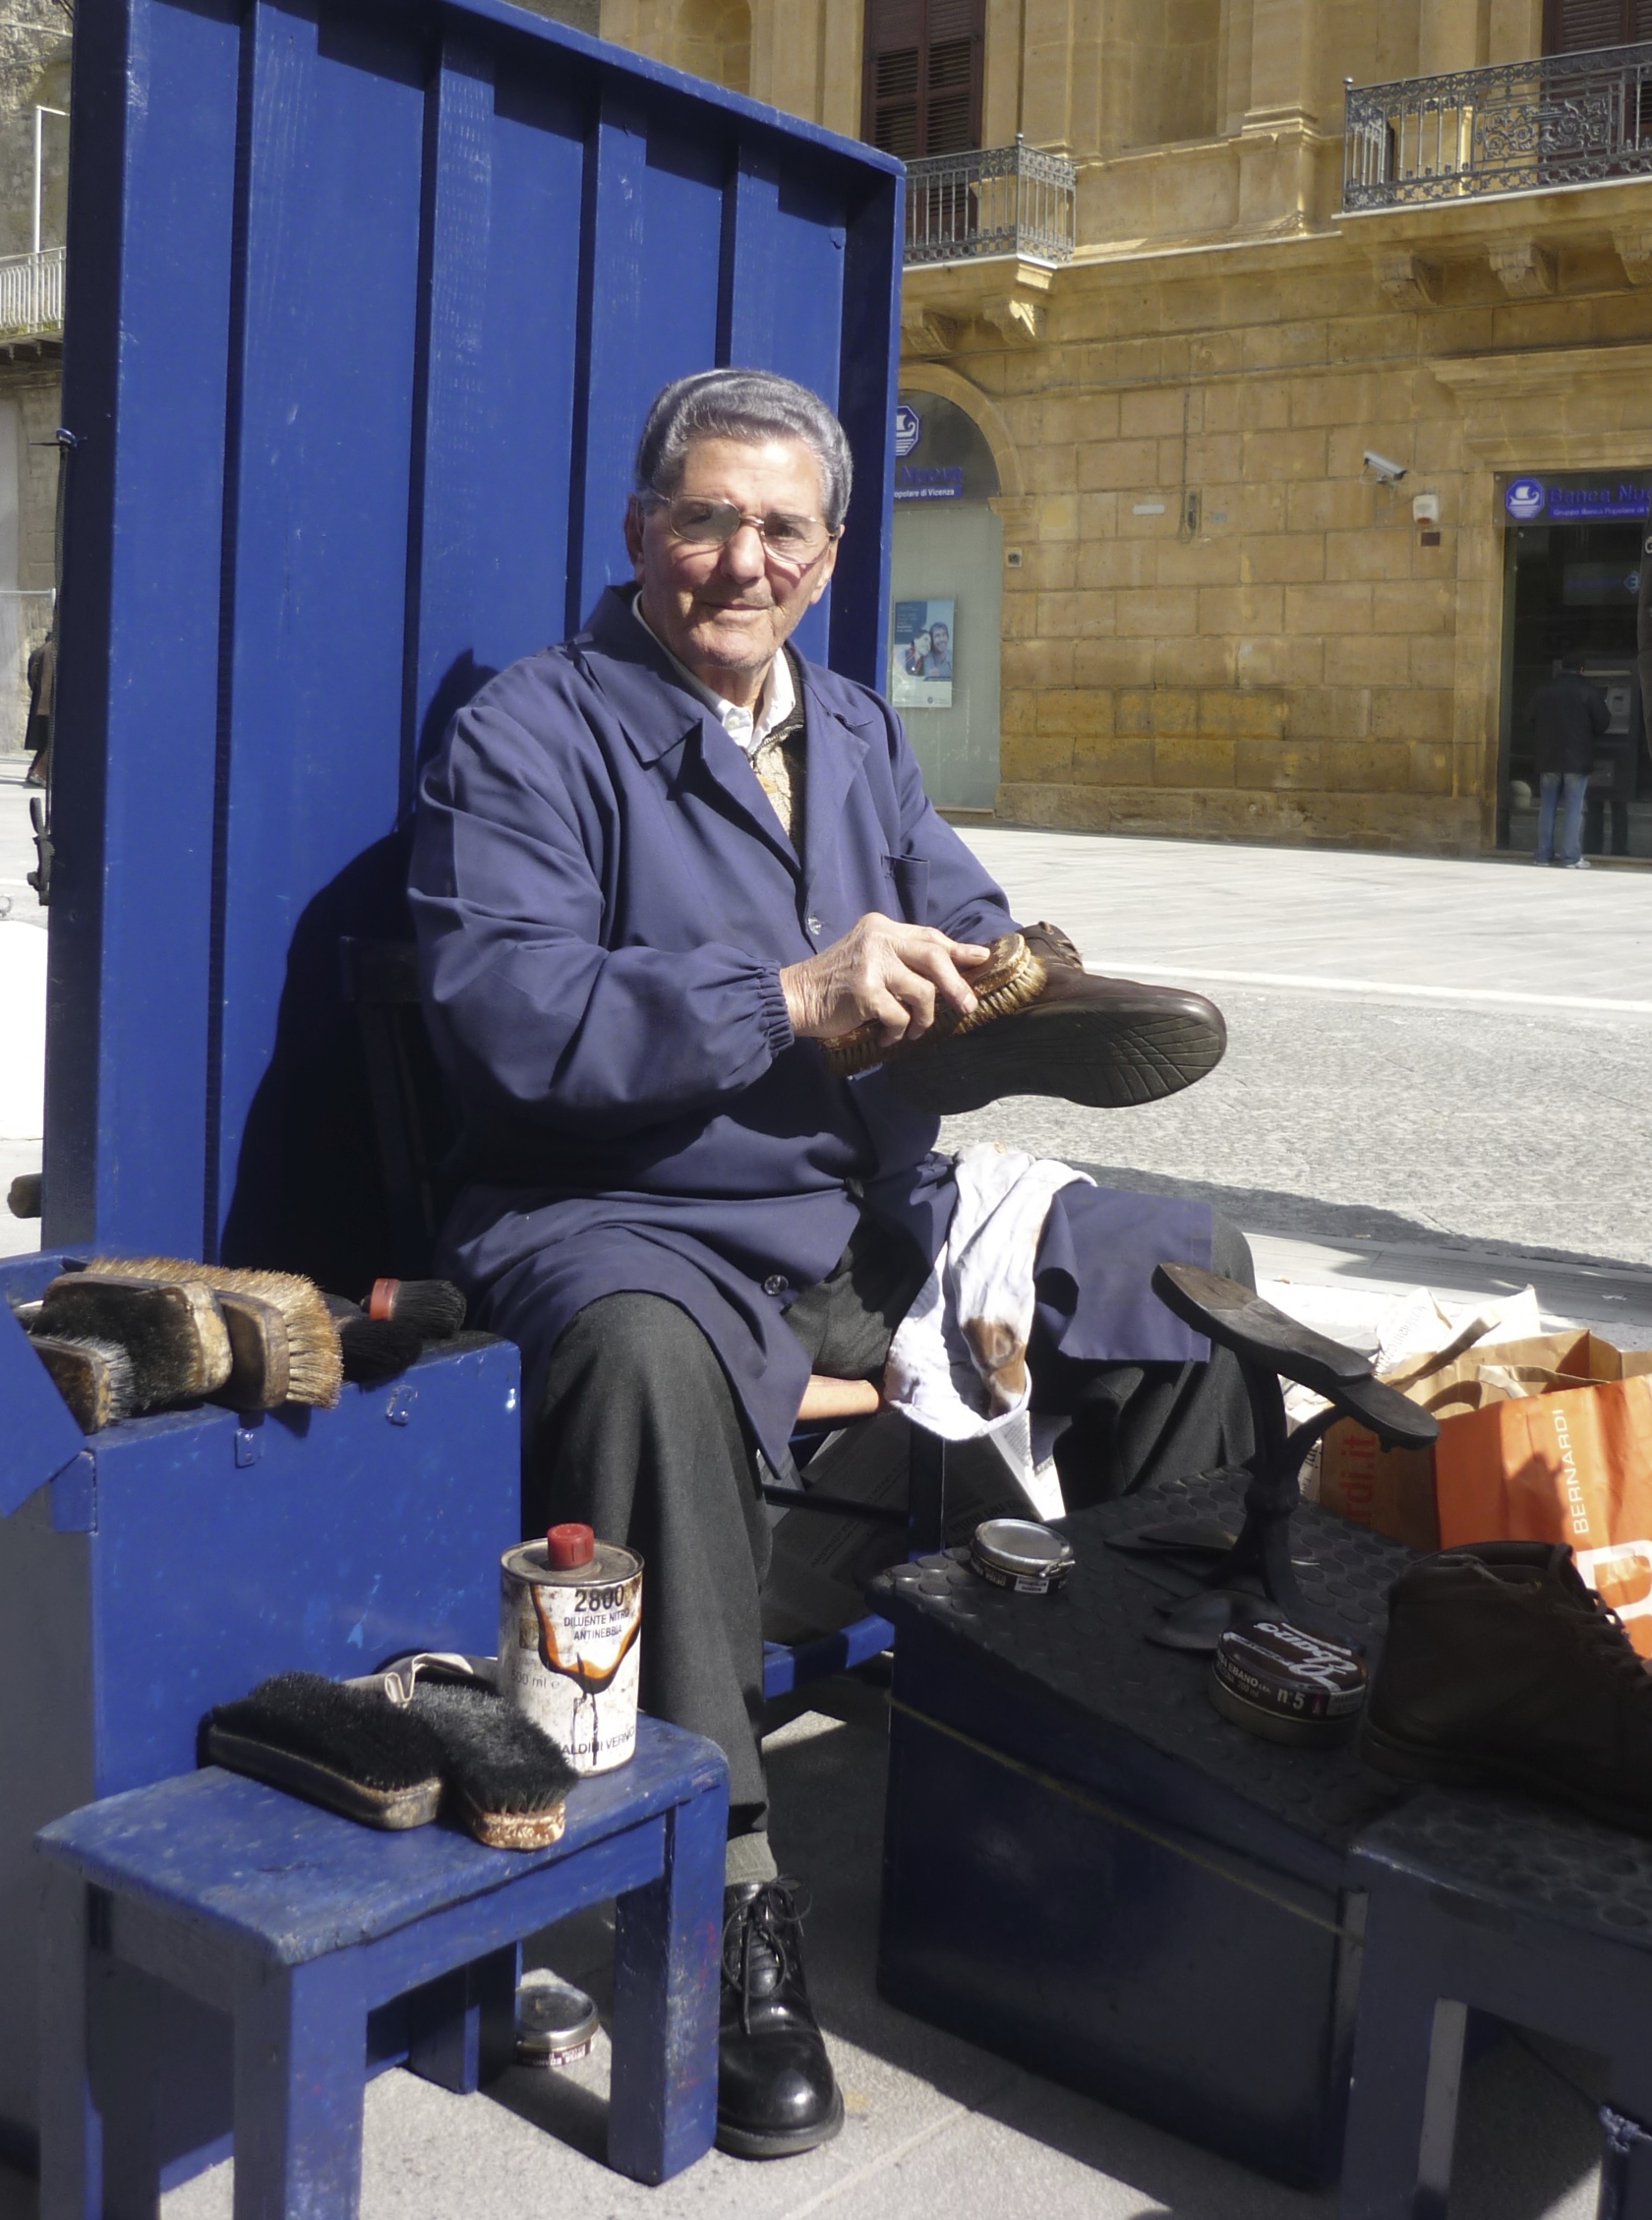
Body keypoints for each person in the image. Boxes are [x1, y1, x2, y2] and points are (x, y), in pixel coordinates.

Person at [409, 369, 1252, 2161]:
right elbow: (509, 1022)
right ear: (640, 531)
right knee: (641, 1353)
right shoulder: (528, 736)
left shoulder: (854, 734)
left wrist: (1001, 974)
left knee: (1170, 1265)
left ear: (828, 551)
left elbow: (940, 906)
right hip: (627, 1211)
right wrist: (787, 996)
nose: (740, 558)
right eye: (704, 518)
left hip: (865, 1215)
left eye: (779, 527)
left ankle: (1126, 1799)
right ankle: (726, 1914)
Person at [1528, 649, 1610, 869]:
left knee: (1547, 806)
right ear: (1582, 669)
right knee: (1574, 807)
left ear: (1562, 667)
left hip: (1548, 758)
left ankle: (1543, 856)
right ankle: (1570, 857)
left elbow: (1530, 718)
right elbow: (1603, 723)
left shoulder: (1544, 690)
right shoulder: (1589, 691)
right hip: (1577, 759)